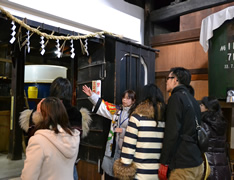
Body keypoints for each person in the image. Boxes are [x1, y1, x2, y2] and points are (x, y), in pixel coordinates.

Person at [20, 77, 92, 180]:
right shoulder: (76, 113)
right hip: (68, 166)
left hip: (45, 167)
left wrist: (36, 115)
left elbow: (31, 134)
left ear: (52, 90)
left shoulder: (42, 109)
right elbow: (78, 138)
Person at [82, 85, 136, 179]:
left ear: (133, 101)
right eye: (124, 97)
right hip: (113, 147)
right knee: (109, 174)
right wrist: (92, 95)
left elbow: (137, 131)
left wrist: (123, 131)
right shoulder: (117, 110)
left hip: (126, 149)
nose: (124, 100)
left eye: (128, 98)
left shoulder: (135, 113)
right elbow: (104, 106)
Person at [113, 84, 166, 180]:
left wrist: (124, 168)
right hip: (159, 174)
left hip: (140, 173)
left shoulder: (137, 117)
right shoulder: (165, 119)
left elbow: (129, 146)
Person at [159, 67, 204, 180]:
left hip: (183, 165)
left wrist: (164, 162)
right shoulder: (192, 99)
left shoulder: (176, 98)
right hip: (197, 162)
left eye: (168, 78)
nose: (166, 81)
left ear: (175, 80)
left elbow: (172, 132)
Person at [21, 97, 80, 180]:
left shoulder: (38, 141)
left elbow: (28, 177)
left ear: (40, 116)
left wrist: (36, 115)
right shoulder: (74, 137)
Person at [200, 96, 231, 180]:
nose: (200, 106)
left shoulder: (202, 124)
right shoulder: (222, 123)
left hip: (208, 166)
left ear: (207, 108)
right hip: (223, 165)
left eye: (202, 105)